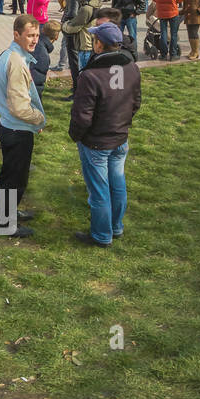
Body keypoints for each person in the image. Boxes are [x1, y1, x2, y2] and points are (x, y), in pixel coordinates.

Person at [70, 21, 140, 247]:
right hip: (120, 137)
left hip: (97, 142)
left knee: (100, 190)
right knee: (117, 183)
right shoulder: (132, 68)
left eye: (95, 40)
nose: (93, 43)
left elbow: (83, 116)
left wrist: (77, 135)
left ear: (100, 45)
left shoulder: (90, 76)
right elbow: (136, 103)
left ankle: (102, 235)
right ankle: (116, 227)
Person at [0, 17, 46, 239]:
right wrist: (39, 119)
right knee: (15, 179)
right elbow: (20, 107)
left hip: (10, 126)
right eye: (30, 35)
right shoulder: (16, 62)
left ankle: (7, 214)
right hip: (17, 129)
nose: (34, 40)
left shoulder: (10, 55)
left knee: (11, 176)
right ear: (16, 35)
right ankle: (5, 224)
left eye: (37, 35)